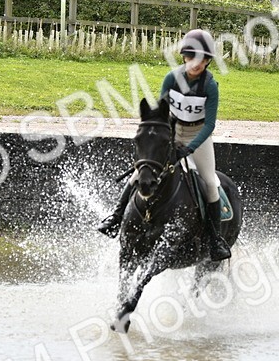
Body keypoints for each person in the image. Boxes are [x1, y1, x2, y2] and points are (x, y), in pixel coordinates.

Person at [97, 28, 232, 261]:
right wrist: (165, 141)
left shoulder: (210, 87)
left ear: (208, 61)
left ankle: (215, 239)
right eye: (191, 58)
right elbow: (162, 114)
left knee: (211, 183)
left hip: (198, 137)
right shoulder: (172, 78)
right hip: (172, 133)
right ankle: (116, 218)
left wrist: (189, 148)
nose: (195, 64)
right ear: (185, 57)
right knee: (139, 174)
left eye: (202, 60)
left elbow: (209, 125)